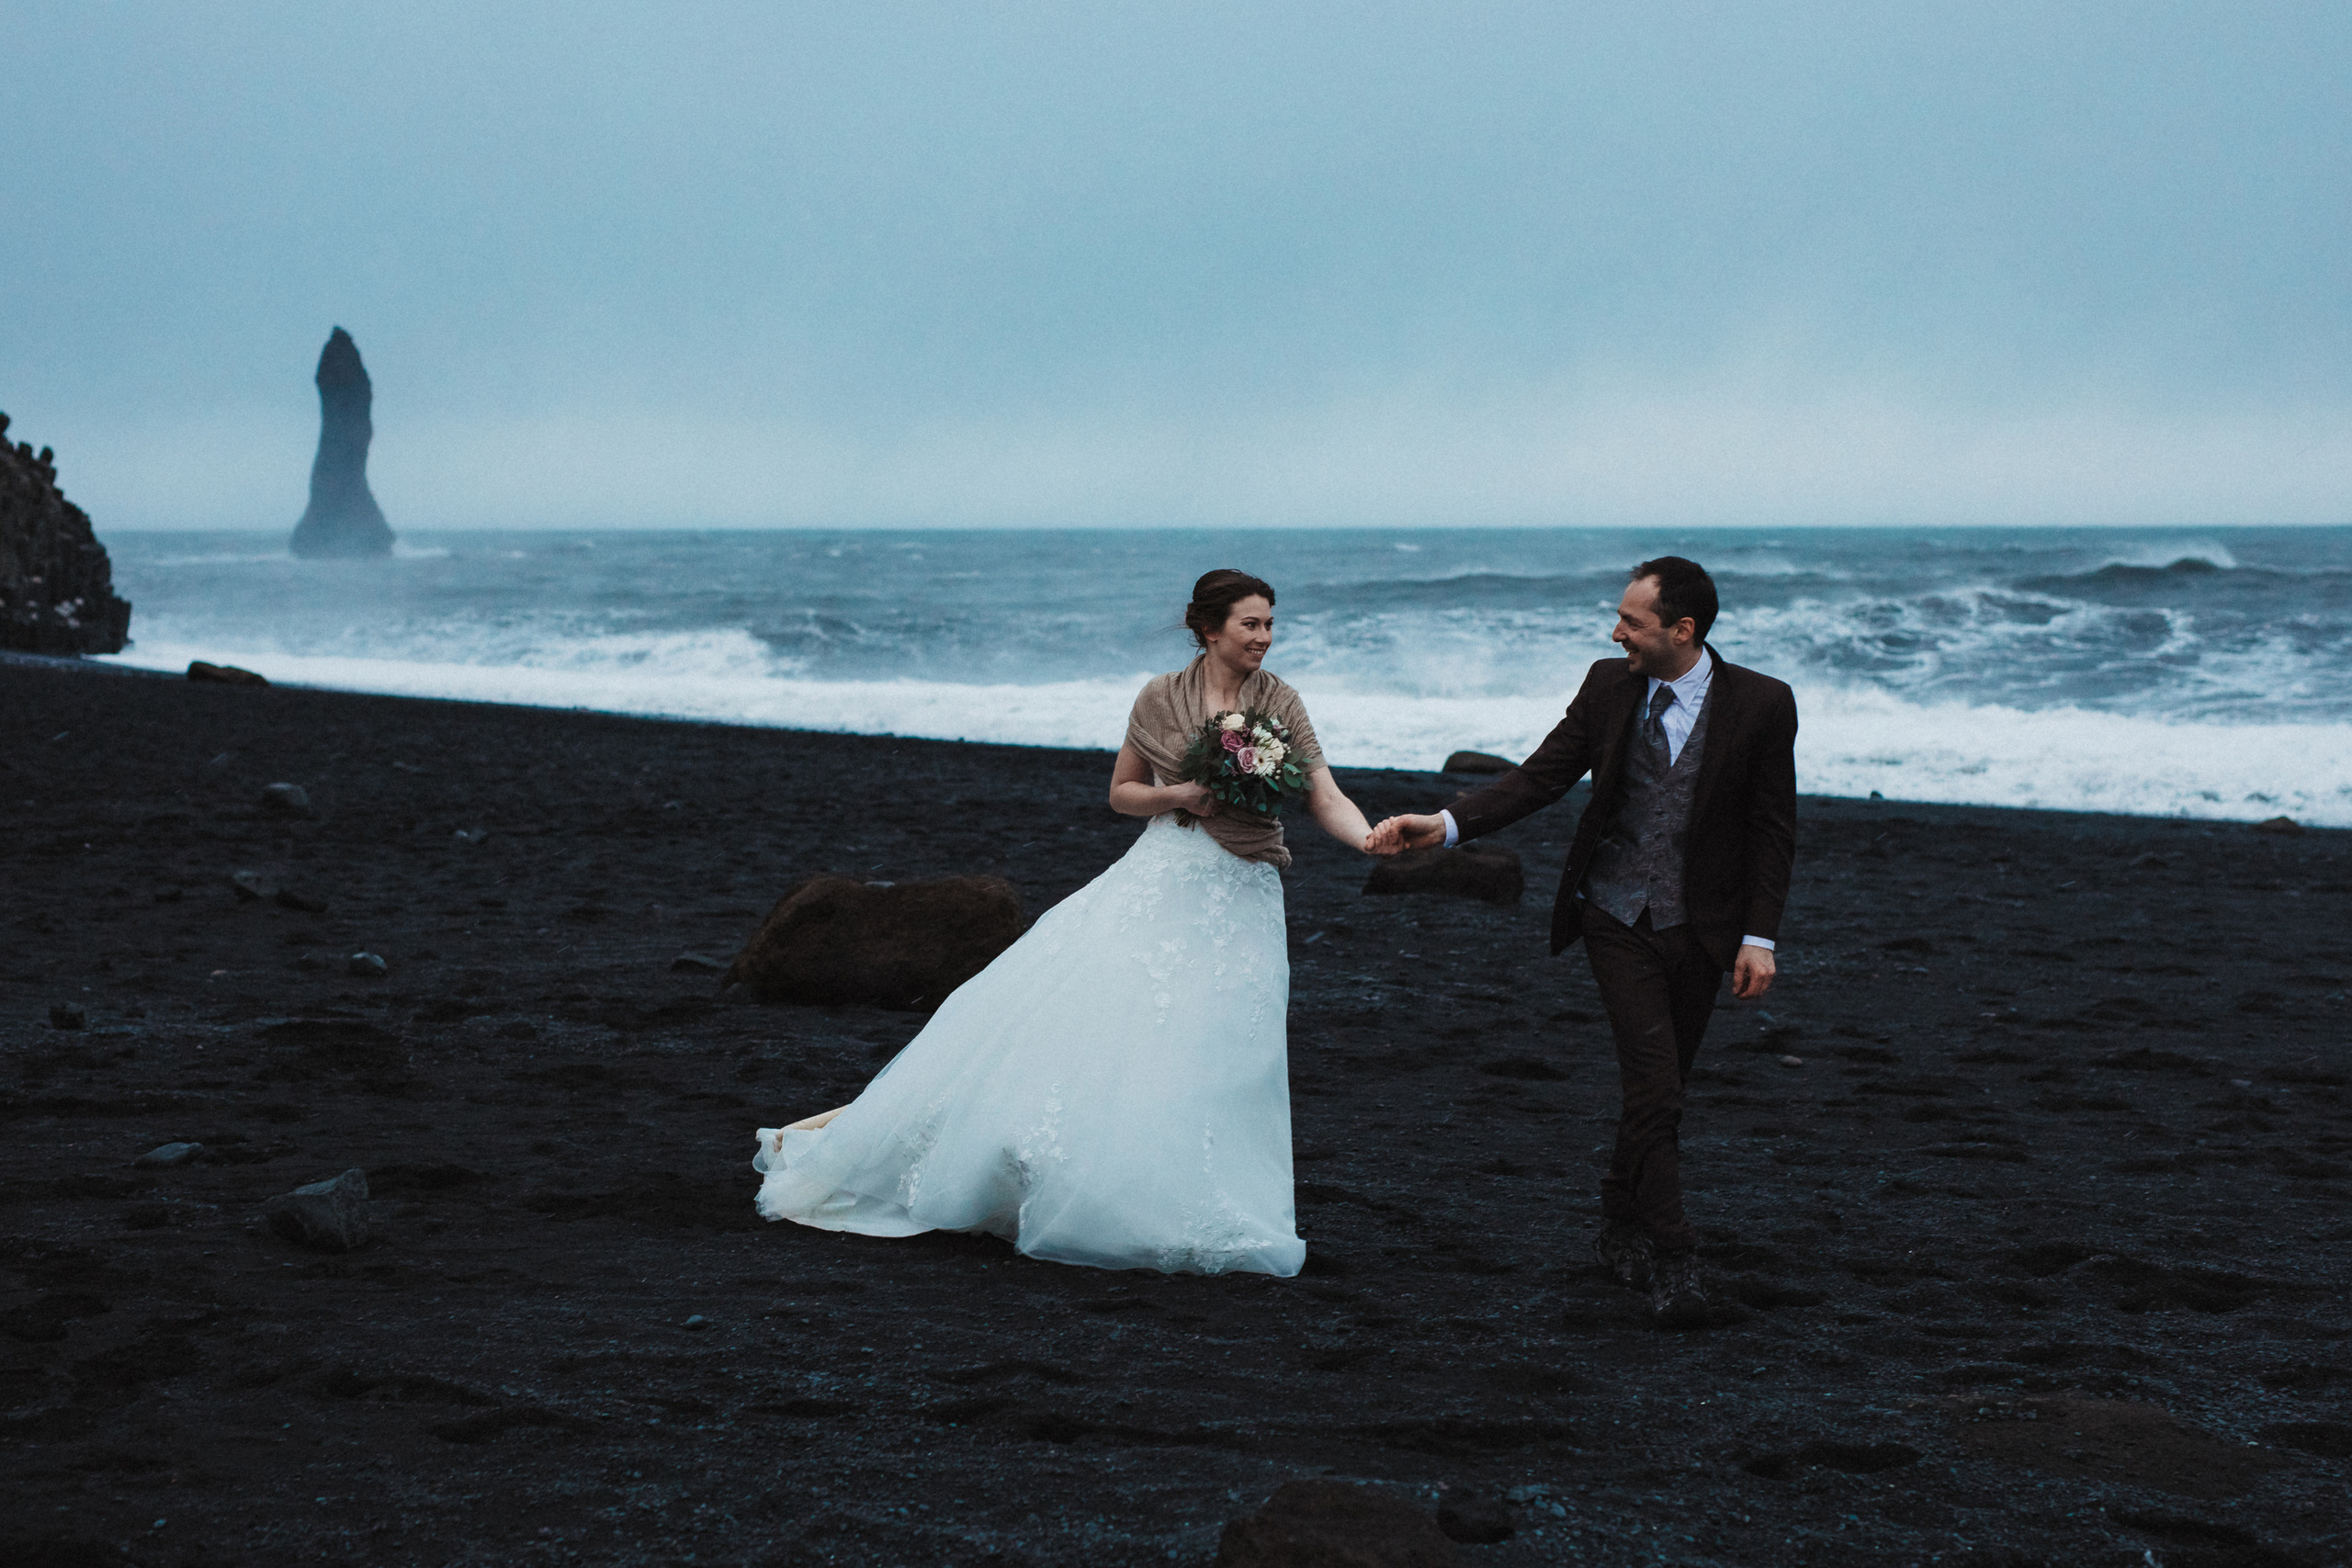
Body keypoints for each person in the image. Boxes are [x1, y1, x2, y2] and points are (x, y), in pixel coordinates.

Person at [752, 569, 1378, 1276]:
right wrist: (1179, 793)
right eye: (1251, 623)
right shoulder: (1159, 696)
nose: (1264, 637)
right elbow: (1122, 792)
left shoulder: (1281, 701)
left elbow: (1323, 792)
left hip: (1248, 891)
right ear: (1209, 628)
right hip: (1168, 874)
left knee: (1233, 1047)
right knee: (1141, 1031)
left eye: (1270, 624)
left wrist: (1367, 839)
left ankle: (1212, 1196)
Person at [1367, 556, 1796, 1325]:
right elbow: (1539, 779)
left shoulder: (1763, 703)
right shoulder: (1607, 686)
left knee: (1662, 1089)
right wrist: (1447, 824)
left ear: (1682, 629)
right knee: (1656, 1085)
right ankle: (1675, 1253)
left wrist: (1758, 936)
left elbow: (1771, 828)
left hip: (1703, 928)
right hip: (1613, 915)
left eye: (1631, 620)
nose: (1615, 632)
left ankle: (1619, 1219)